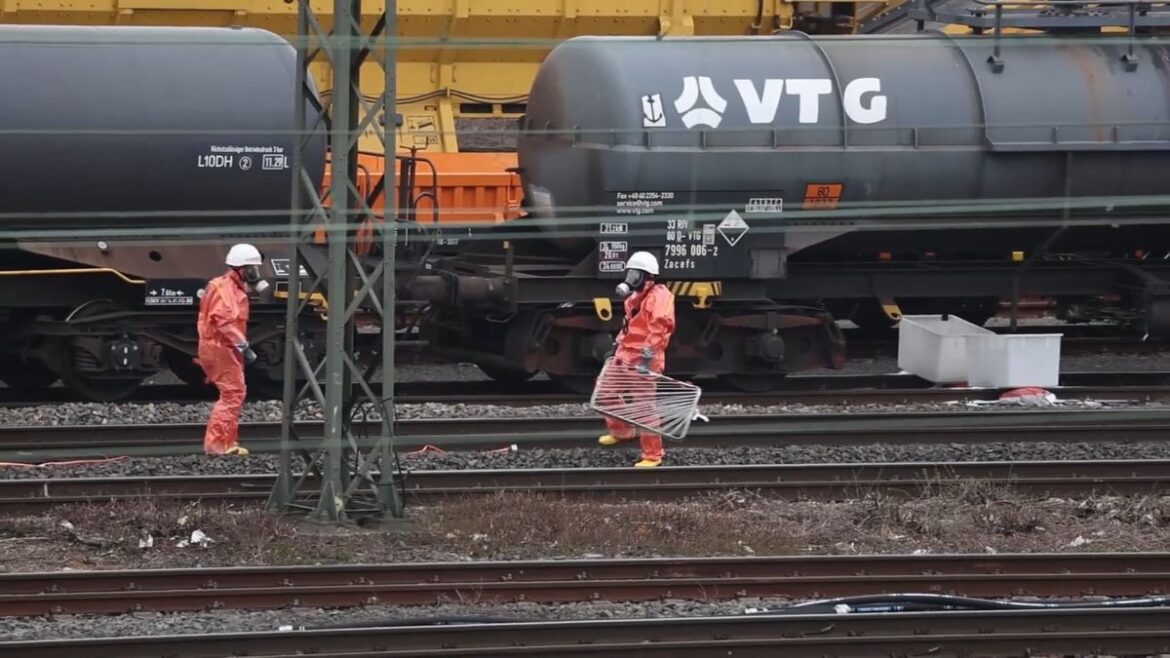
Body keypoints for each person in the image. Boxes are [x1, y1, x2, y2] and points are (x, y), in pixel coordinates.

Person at [597, 251, 676, 468]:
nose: (630, 278)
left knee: (644, 407)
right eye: (629, 273)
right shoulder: (634, 298)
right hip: (626, 352)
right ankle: (622, 431)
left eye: (635, 274)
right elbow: (628, 326)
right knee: (605, 391)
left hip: (645, 356)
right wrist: (616, 347)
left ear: (647, 276)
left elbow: (658, 329)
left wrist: (647, 358)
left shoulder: (660, 297)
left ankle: (653, 455)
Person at [197, 243, 268, 457]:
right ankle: (217, 445)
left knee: (234, 393)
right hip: (220, 349)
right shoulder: (225, 290)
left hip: (224, 348)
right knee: (232, 394)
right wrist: (244, 347)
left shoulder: (231, 287)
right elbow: (225, 323)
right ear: (243, 269)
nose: (256, 273)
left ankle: (227, 443)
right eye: (254, 269)